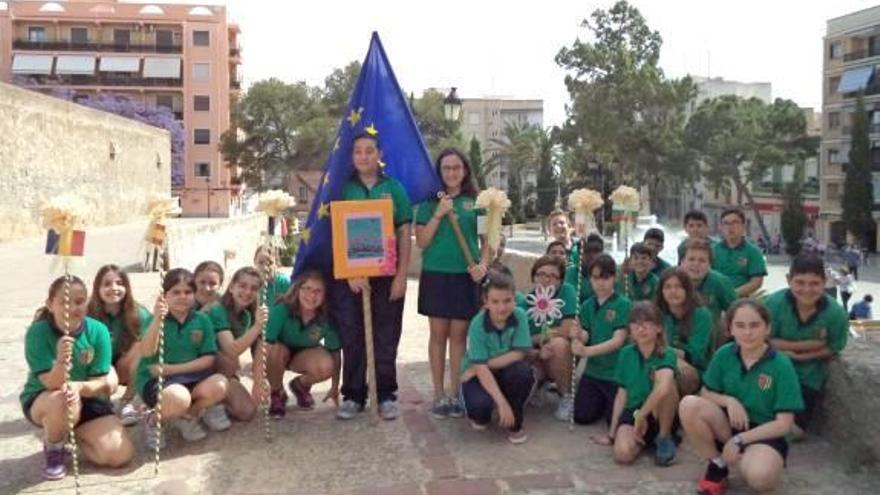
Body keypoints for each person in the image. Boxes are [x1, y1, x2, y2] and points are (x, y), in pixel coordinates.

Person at [679, 300, 803, 495]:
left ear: (767, 328)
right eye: (740, 325)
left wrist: (739, 440)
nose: (747, 332)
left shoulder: (781, 365)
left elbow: (784, 424)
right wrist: (729, 401)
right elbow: (705, 392)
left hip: (765, 433)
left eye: (754, 325)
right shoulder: (724, 355)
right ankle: (717, 464)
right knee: (689, 404)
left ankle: (749, 459)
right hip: (730, 424)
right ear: (730, 329)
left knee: (760, 479)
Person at [332, 132, 412, 421]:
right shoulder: (344, 188)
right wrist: (351, 273)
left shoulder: (395, 188)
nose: (363, 156)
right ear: (352, 156)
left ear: (379, 154)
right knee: (353, 336)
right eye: (358, 151)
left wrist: (401, 276)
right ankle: (353, 395)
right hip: (353, 279)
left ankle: (387, 394)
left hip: (387, 276)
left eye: (369, 150)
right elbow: (337, 231)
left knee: (386, 336)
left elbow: (404, 232)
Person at [21, 276, 134, 480]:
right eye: (64, 302)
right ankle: (54, 446)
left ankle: (74, 433)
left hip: (86, 397)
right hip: (47, 398)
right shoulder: (37, 333)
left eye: (79, 301)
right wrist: (62, 361)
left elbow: (100, 383)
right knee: (63, 400)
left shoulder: (98, 331)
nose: (72, 307)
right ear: (49, 304)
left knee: (119, 456)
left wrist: (79, 387)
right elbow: (52, 383)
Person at [415, 147, 486, 419]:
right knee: (438, 336)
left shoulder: (476, 201)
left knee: (459, 337)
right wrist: (439, 214)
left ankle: (455, 394)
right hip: (436, 274)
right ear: (439, 172)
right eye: (446, 168)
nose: (452, 172)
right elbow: (422, 241)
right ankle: (438, 394)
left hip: (464, 276)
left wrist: (483, 265)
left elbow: (487, 241)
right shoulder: (429, 203)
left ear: (465, 170)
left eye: (457, 167)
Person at [136, 268, 229, 449]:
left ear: (194, 294)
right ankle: (153, 420)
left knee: (221, 383)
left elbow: (208, 359)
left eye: (188, 292)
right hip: (157, 380)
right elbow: (147, 353)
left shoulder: (202, 320)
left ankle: (188, 417)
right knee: (179, 397)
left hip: (190, 376)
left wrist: (170, 369)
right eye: (176, 292)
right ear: (165, 295)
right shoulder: (154, 319)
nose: (182, 296)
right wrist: (157, 320)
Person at [765, 254, 848, 436]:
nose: (807, 289)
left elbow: (834, 346)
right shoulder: (773, 304)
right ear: (789, 280)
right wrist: (810, 344)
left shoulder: (835, 314)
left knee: (796, 432)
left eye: (814, 283)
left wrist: (800, 355)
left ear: (825, 282)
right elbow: (761, 340)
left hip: (807, 376)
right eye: (800, 282)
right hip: (771, 370)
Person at [595, 301, 679, 466]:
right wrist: (612, 433)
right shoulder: (626, 354)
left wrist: (642, 416)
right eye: (636, 325)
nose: (641, 329)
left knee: (666, 386)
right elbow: (622, 394)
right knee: (623, 454)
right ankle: (644, 439)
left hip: (658, 413)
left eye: (647, 324)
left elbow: (662, 389)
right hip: (634, 411)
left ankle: (663, 437)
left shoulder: (667, 353)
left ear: (659, 328)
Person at [460, 272, 535, 443]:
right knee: (480, 413)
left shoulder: (520, 316)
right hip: (480, 374)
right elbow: (481, 369)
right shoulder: (478, 324)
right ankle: (490, 403)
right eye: (495, 302)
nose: (502, 308)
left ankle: (515, 421)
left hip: (498, 369)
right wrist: (501, 402)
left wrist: (481, 366)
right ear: (485, 302)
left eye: (507, 301)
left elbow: (520, 352)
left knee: (523, 372)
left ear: (515, 299)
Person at [266, 269, 341, 417]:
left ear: (325, 295)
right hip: (280, 352)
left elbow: (335, 352)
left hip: (305, 353)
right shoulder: (281, 309)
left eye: (318, 291)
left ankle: (300, 385)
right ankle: (277, 393)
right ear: (297, 289)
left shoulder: (327, 317)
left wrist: (334, 386)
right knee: (274, 351)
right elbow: (266, 344)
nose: (311, 295)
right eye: (307, 288)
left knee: (326, 364)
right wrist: (258, 381)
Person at [571, 254, 632, 426]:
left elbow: (617, 341)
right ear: (590, 279)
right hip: (593, 371)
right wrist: (577, 336)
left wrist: (586, 351)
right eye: (596, 278)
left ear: (614, 277)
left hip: (616, 373)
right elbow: (586, 335)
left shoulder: (623, 304)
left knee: (615, 420)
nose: (601, 283)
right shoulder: (586, 305)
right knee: (581, 416)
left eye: (606, 277)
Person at [87, 264, 151, 426]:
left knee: (142, 346)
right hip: (97, 368)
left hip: (125, 367)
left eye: (119, 283)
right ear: (98, 288)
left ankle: (126, 402)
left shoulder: (138, 313)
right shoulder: (87, 313)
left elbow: (152, 341)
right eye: (107, 284)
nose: (113, 288)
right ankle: (101, 403)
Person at [204, 266, 269, 422]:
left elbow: (261, 346)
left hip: (222, 372)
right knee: (230, 360)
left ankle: (218, 399)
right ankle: (205, 404)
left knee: (247, 412)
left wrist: (258, 383)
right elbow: (231, 350)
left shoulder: (249, 313)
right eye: (242, 286)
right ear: (231, 287)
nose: (247, 292)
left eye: (253, 288)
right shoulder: (217, 309)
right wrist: (257, 327)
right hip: (200, 367)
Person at [517, 255, 578, 421]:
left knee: (558, 344)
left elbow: (566, 329)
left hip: (560, 354)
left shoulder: (567, 292)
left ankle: (566, 396)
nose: (545, 279)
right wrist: (539, 343)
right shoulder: (525, 303)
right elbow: (521, 341)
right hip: (535, 355)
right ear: (533, 277)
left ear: (560, 280)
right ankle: (538, 384)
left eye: (552, 276)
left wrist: (541, 337)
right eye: (541, 274)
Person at [656, 269, 713, 395]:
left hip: (694, 370)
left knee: (671, 375)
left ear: (688, 290)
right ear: (661, 291)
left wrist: (664, 350)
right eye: (667, 287)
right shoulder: (657, 314)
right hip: (661, 361)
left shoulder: (701, 315)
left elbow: (695, 355)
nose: (673, 291)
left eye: (679, 286)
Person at [680, 239, 737, 347]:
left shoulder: (720, 282)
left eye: (702, 261)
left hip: (710, 341)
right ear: (682, 262)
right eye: (691, 259)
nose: (696, 264)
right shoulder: (671, 281)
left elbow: (736, 312)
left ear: (710, 265)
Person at [712, 208, 767, 297]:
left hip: (741, 301)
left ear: (743, 226)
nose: (730, 227)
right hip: (715, 299)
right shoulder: (713, 250)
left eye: (735, 222)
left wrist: (732, 294)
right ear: (721, 227)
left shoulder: (753, 252)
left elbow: (756, 282)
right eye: (726, 223)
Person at [564, 234, 606, 305]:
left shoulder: (609, 273)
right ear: (580, 254)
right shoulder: (572, 272)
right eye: (587, 251)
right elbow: (571, 300)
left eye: (596, 251)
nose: (592, 255)